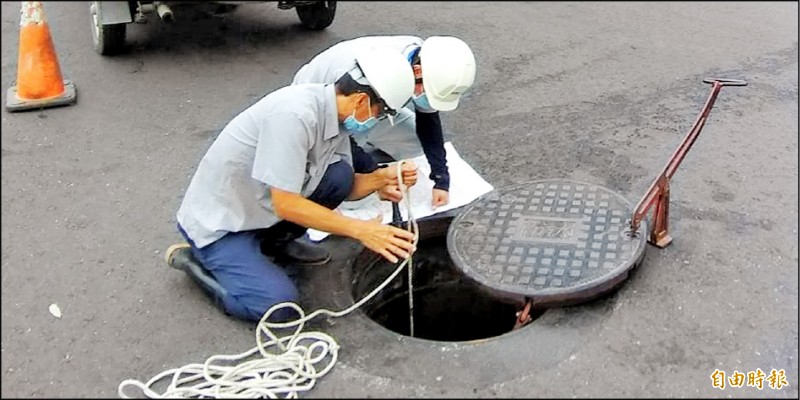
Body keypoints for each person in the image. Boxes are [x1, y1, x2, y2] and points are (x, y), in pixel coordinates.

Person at [164, 47, 419, 322]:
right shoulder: (294, 116)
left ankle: (274, 243)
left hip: (260, 210)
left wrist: (378, 180)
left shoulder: (335, 115)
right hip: (222, 224)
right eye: (381, 113)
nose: (377, 119)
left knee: (339, 176)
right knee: (279, 308)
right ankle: (195, 263)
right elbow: (286, 204)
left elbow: (345, 186)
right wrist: (362, 231)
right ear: (360, 101)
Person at [292, 35, 477, 209]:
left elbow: (428, 123)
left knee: (415, 144)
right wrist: (378, 177)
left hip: (375, 109)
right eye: (427, 93)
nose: (426, 99)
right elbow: (341, 133)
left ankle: (367, 144)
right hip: (325, 120)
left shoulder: (424, 62)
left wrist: (441, 178)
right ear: (417, 71)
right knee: (350, 194)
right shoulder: (359, 73)